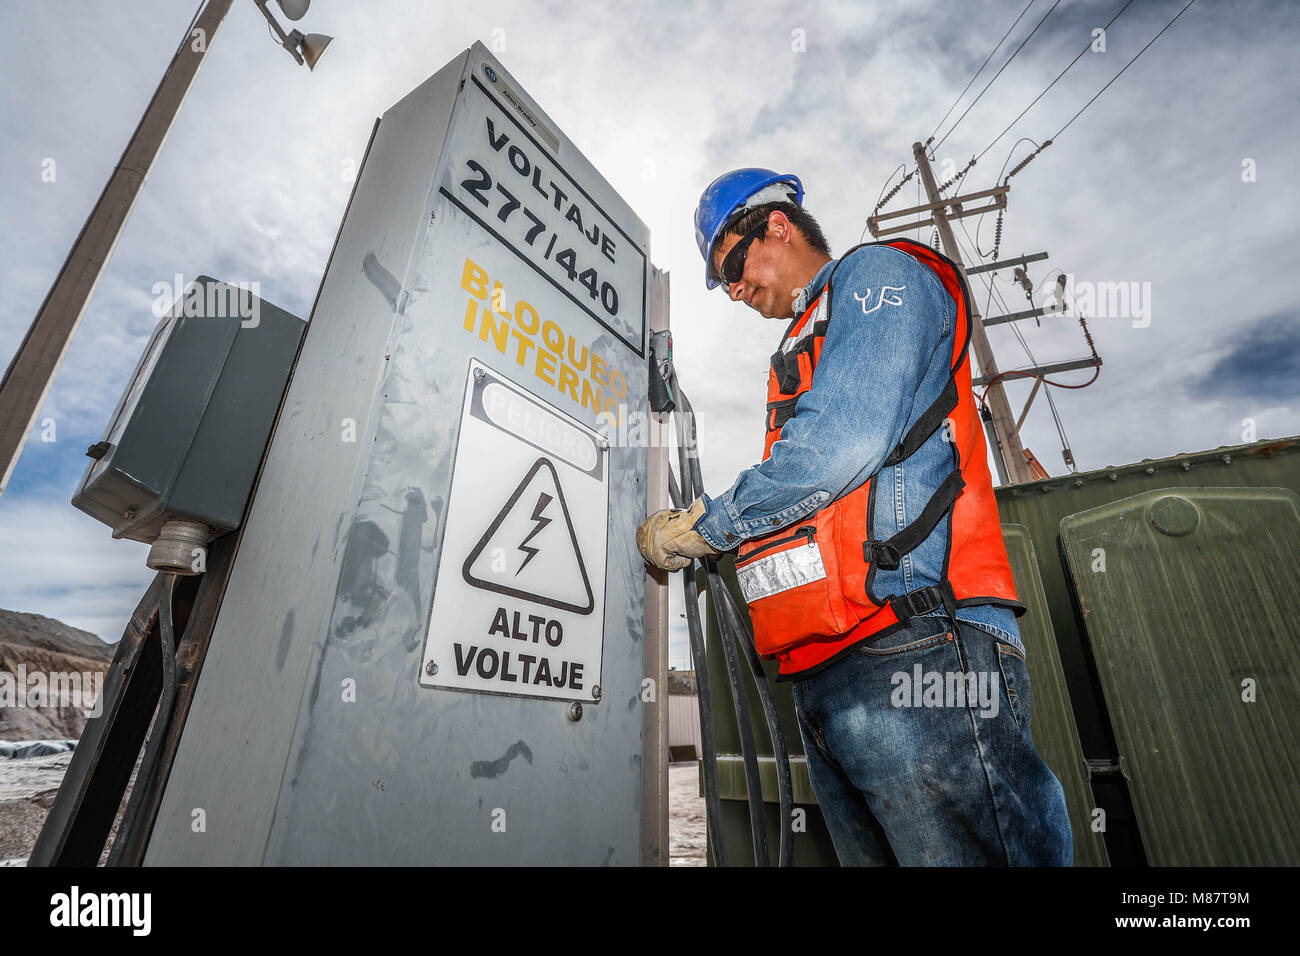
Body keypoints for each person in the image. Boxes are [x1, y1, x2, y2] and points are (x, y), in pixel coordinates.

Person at [637, 168, 1073, 866]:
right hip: (832, 665)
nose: (736, 291)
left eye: (734, 266)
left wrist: (708, 526)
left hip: (917, 640)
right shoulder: (811, 339)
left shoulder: (877, 278)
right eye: (723, 284)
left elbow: (843, 442)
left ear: (777, 223)